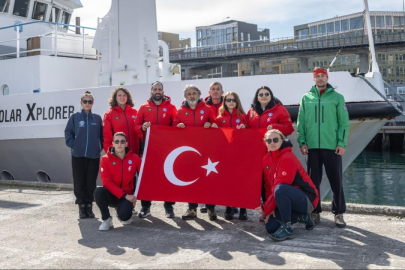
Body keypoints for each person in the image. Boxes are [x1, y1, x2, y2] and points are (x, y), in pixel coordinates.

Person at [297, 67, 350, 228]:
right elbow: (301, 123)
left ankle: (339, 213)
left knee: (336, 179)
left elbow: (344, 123)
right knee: (313, 181)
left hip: (331, 146)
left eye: (322, 76)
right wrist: (302, 142)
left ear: (327, 78)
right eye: (317, 76)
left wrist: (341, 143)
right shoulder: (306, 98)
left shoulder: (337, 98)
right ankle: (315, 211)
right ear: (313, 79)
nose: (320, 79)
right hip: (312, 147)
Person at [256, 129, 319, 241]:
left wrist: (265, 208)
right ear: (265, 143)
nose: (272, 143)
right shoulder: (266, 159)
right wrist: (270, 210)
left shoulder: (287, 157)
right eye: (268, 140)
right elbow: (268, 186)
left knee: (280, 188)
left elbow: (280, 186)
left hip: (306, 198)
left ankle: (287, 227)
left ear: (283, 140)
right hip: (285, 198)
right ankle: (302, 217)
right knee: (271, 227)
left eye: (275, 140)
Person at [247, 86, 294, 221]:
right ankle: (265, 209)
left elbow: (289, 128)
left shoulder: (280, 110)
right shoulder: (251, 112)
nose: (264, 96)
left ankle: (273, 210)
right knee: (260, 182)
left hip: (273, 151)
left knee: (272, 180)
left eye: (267, 94)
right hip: (257, 153)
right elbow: (247, 125)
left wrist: (275, 127)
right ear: (257, 97)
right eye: (261, 94)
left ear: (271, 96)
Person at [173, 84, 218, 220]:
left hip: (206, 151)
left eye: (194, 93)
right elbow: (173, 128)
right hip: (189, 152)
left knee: (208, 180)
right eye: (189, 94)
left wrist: (210, 125)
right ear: (185, 97)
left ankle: (210, 209)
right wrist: (178, 126)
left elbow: (216, 126)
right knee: (191, 180)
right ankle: (192, 209)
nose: (192, 96)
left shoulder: (208, 109)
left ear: (199, 95)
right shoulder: (180, 111)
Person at [134, 81, 178, 218]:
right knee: (147, 178)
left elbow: (176, 126)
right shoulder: (143, 107)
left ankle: (169, 207)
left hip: (166, 149)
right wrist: (142, 128)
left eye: (159, 89)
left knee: (167, 177)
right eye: (155, 89)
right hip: (148, 149)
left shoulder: (171, 107)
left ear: (163, 92)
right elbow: (136, 126)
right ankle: (145, 207)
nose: (157, 91)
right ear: (151, 91)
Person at [65, 91, 103, 219]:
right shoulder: (75, 117)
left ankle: (89, 206)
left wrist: (99, 147)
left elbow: (102, 136)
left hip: (93, 155)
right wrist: (73, 145)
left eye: (90, 101)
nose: (87, 104)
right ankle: (81, 206)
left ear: (93, 103)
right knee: (79, 181)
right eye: (85, 101)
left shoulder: (97, 119)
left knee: (91, 181)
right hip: (78, 155)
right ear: (81, 103)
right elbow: (68, 132)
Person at [94, 132, 141, 231]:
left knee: (125, 217)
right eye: (117, 141)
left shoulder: (135, 158)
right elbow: (106, 182)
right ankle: (107, 219)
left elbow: (143, 177)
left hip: (126, 197)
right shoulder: (105, 159)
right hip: (113, 195)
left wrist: (135, 196)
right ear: (113, 143)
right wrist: (124, 195)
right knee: (98, 192)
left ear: (126, 144)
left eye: (122, 141)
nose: (119, 144)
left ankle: (121, 211)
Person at [215, 91, 248, 220]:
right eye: (228, 100)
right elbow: (214, 135)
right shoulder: (219, 118)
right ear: (224, 102)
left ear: (237, 102)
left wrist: (244, 127)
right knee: (228, 181)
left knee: (241, 181)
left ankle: (243, 208)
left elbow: (251, 132)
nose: (231, 102)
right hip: (225, 155)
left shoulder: (243, 116)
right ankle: (229, 206)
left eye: (233, 100)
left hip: (240, 154)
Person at [103, 87, 140, 156]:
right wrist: (109, 152)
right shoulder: (109, 114)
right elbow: (107, 136)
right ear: (115, 98)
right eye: (119, 95)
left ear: (127, 97)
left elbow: (140, 133)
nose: (122, 97)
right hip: (119, 154)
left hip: (135, 152)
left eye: (124, 95)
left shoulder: (135, 112)